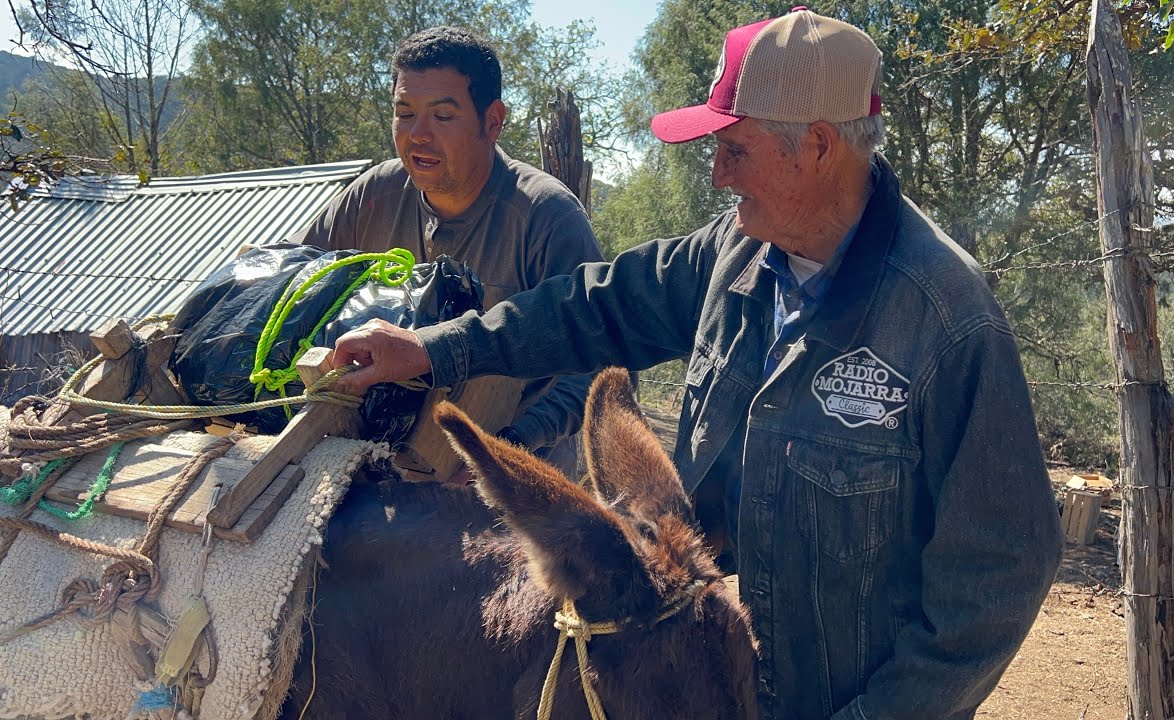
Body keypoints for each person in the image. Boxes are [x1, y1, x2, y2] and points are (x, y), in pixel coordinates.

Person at [332, 9, 1063, 719]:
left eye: (735, 149)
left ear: (815, 146)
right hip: (717, 691)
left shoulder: (946, 322)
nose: (716, 174)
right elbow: (595, 306)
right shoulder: (737, 250)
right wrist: (438, 348)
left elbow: (995, 584)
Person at [289, 26, 602, 475]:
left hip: (518, 466)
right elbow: (296, 281)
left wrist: (508, 445)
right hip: (382, 455)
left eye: (442, 115)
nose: (418, 135)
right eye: (404, 113)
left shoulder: (547, 218)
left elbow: (597, 364)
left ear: (492, 121)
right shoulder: (372, 195)